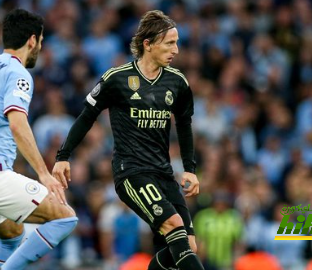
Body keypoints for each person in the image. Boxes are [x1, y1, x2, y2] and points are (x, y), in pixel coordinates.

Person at [53, 10, 204, 270]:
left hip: (164, 173)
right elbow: (86, 116)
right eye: (170, 43)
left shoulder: (177, 82)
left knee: (187, 246)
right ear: (148, 44)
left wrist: (190, 169)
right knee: (174, 225)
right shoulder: (117, 78)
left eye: (177, 42)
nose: (176, 50)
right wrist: (62, 157)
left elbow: (184, 124)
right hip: (132, 172)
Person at [0, 9, 77, 270]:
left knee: (12, 237)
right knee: (65, 218)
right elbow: (17, 124)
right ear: (32, 40)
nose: (40, 47)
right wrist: (43, 173)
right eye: (41, 41)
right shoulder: (18, 74)